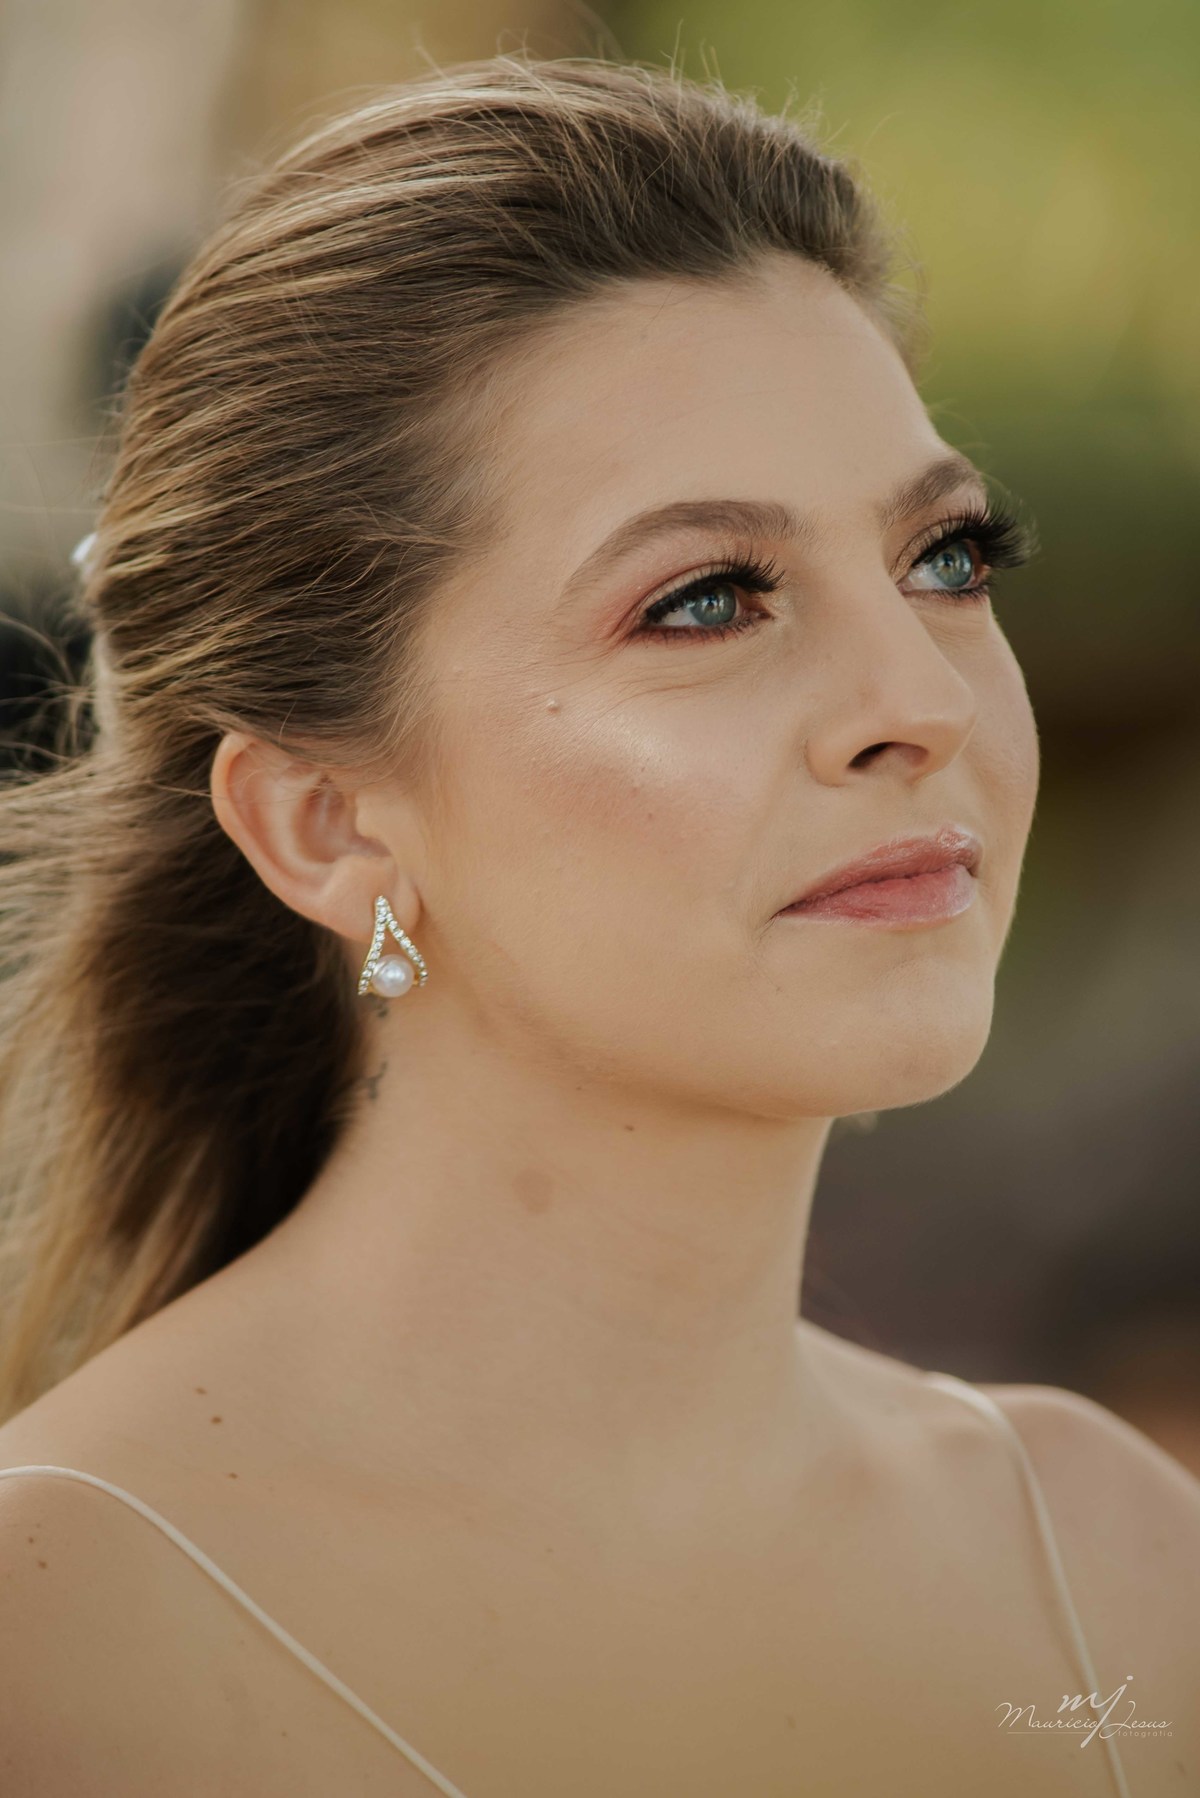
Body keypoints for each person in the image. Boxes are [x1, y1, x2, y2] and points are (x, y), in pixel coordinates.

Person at [0, 53, 1196, 1798]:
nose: (921, 702)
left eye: (945, 558)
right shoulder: (60, 1642)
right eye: (708, 599)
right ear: (326, 822)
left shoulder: (1112, 1564)